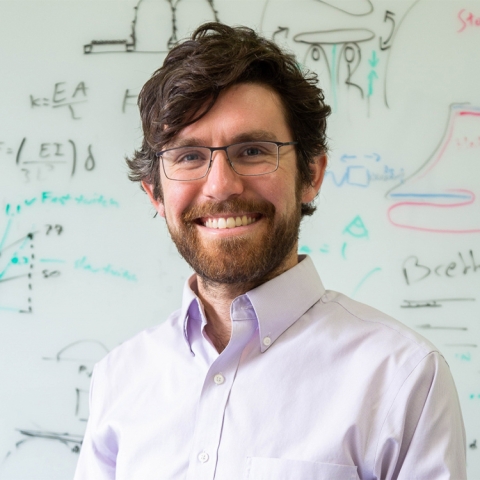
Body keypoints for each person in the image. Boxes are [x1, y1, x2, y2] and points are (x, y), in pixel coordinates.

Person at [74, 23, 466, 479]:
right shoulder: (118, 379)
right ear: (154, 194)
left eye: (254, 150)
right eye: (188, 156)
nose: (221, 186)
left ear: (311, 175)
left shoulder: (403, 378)